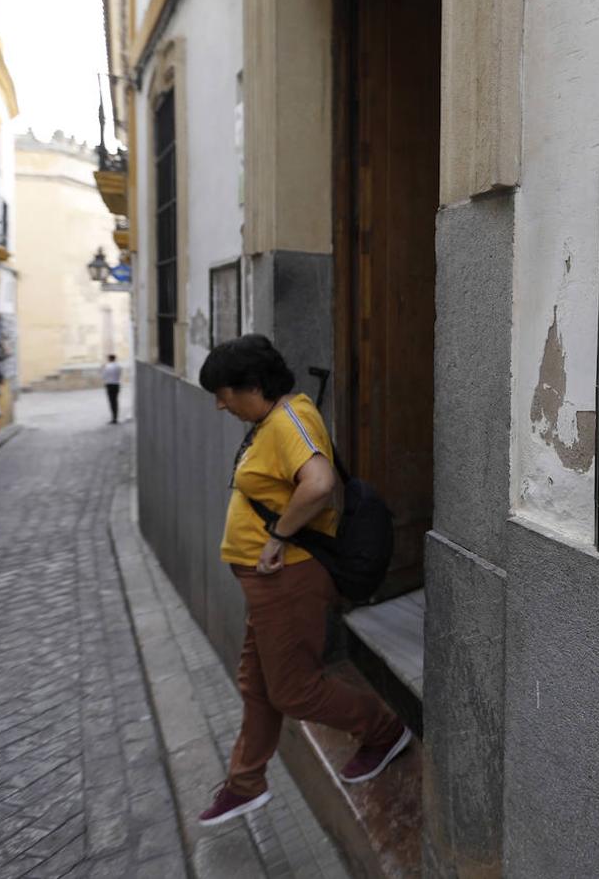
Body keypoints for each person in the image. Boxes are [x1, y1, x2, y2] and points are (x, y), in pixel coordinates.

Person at [195, 334, 411, 828]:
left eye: (223, 392)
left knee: (292, 691)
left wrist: (277, 537)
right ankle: (245, 784)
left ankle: (384, 731)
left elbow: (318, 482)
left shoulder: (290, 418)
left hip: (289, 579)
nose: (218, 404)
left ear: (251, 386)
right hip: (267, 584)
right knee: (256, 685)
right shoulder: (268, 422)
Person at [102, 354, 122, 423]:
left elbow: (104, 376)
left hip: (109, 385)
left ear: (109, 359)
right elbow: (119, 375)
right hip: (116, 384)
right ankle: (115, 417)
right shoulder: (118, 366)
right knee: (115, 401)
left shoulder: (107, 367)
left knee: (111, 402)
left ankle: (113, 418)